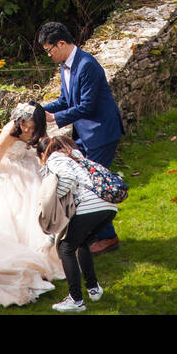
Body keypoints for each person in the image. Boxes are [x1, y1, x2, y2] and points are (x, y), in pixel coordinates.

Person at [38, 20, 124, 254]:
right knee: (83, 182)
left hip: (101, 133)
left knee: (93, 185)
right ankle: (95, 233)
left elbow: (86, 106)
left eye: (49, 50)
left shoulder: (87, 65)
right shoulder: (65, 65)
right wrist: (40, 109)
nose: (49, 55)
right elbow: (66, 101)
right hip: (86, 133)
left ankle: (107, 238)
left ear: (62, 43)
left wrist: (54, 119)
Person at [0, 100, 65, 309]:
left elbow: (43, 151)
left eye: (32, 127)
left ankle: (45, 259)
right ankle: (25, 267)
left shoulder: (39, 130)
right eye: (25, 125)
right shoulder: (10, 130)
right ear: (18, 120)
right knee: (15, 210)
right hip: (8, 170)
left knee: (38, 205)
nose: (27, 129)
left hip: (28, 167)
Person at [39, 134, 116, 312]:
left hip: (89, 207)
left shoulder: (56, 158)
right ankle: (93, 289)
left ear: (45, 153)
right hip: (108, 206)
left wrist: (52, 197)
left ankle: (76, 300)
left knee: (65, 248)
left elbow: (66, 178)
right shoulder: (77, 157)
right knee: (81, 242)